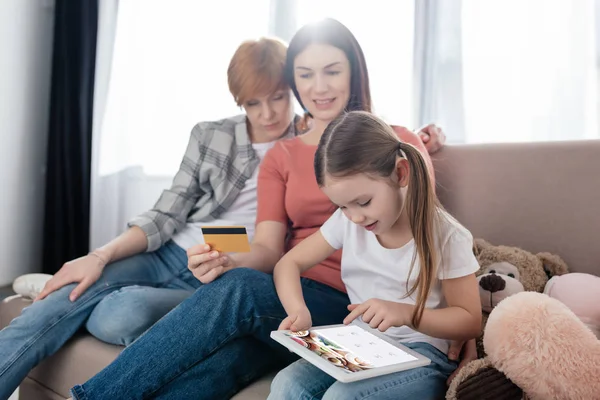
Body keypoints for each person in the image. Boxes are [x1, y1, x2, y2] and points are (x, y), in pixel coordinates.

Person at [67, 19, 453, 400]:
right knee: (221, 364)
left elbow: (426, 234)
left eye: (332, 71)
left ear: (355, 71)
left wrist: (456, 324)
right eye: (305, 75)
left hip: (359, 306)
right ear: (294, 82)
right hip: (290, 299)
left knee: (238, 292)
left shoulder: (398, 142)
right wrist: (228, 264)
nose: (319, 87)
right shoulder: (281, 155)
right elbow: (269, 249)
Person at [0, 37, 305, 400]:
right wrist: (99, 256)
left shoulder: (307, 144)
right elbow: (166, 211)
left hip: (220, 274)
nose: (268, 114)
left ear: (294, 91)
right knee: (58, 303)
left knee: (118, 315)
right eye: (254, 103)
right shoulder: (212, 134)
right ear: (239, 101)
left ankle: (101, 296)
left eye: (279, 97)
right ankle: (75, 291)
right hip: (170, 251)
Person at [268, 110, 482, 400]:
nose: (355, 217)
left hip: (423, 353)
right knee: (286, 384)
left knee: (342, 398)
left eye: (363, 202)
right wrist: (298, 311)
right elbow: (289, 263)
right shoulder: (348, 222)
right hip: (360, 343)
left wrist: (406, 314)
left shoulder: (446, 236)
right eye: (342, 206)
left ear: (400, 173)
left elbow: (469, 320)